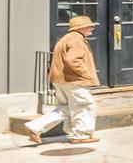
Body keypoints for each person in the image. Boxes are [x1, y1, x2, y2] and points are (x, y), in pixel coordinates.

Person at [41, 14, 100, 146]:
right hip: (73, 80)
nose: (92, 28)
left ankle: (35, 127)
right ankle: (81, 135)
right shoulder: (77, 40)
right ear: (80, 28)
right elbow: (73, 60)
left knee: (65, 108)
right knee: (85, 106)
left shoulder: (67, 38)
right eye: (89, 26)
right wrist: (87, 74)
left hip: (60, 80)